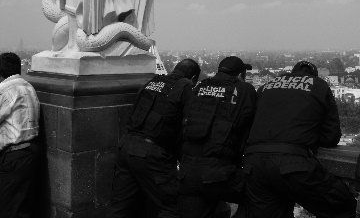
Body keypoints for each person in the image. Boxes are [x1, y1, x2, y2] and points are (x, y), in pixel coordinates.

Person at [243, 60, 357, 218]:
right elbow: (331, 136)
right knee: (342, 204)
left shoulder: (266, 86)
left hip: (253, 164)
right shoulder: (319, 85)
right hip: (294, 164)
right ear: (313, 75)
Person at [109, 58, 201, 218]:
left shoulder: (152, 82)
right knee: (173, 205)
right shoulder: (185, 86)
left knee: (121, 207)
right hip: (152, 153)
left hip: (126, 146)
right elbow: (189, 125)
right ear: (193, 78)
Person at [178, 56, 257, 218]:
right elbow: (250, 125)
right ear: (241, 75)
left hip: (187, 172)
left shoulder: (200, 87)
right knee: (264, 197)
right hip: (220, 174)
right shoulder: (244, 90)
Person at [0, 52, 40, 218]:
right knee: (22, 206)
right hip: (31, 152)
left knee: (10, 208)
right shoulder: (29, 87)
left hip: (13, 157)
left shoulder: (5, 90)